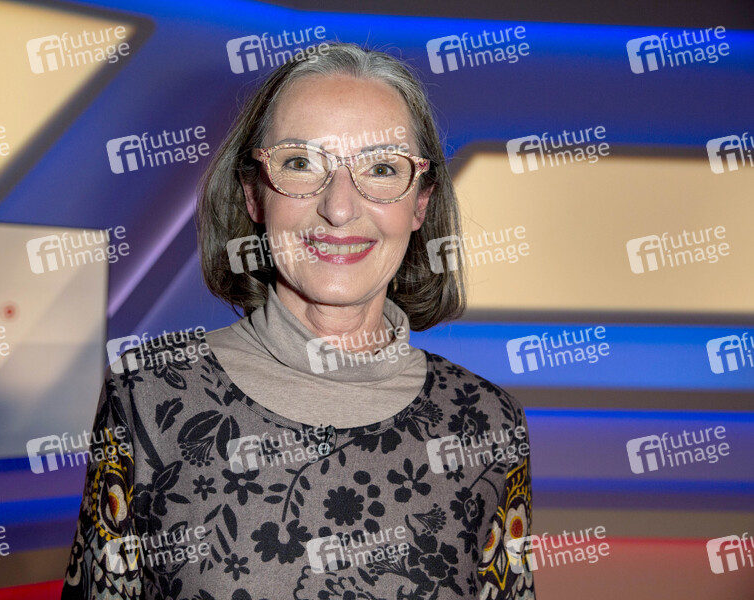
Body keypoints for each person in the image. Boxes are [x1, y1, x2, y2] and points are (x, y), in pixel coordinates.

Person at [62, 42, 534, 600]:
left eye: (383, 168)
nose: (339, 208)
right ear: (253, 195)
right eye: (300, 163)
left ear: (421, 204)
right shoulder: (150, 393)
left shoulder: (487, 423)